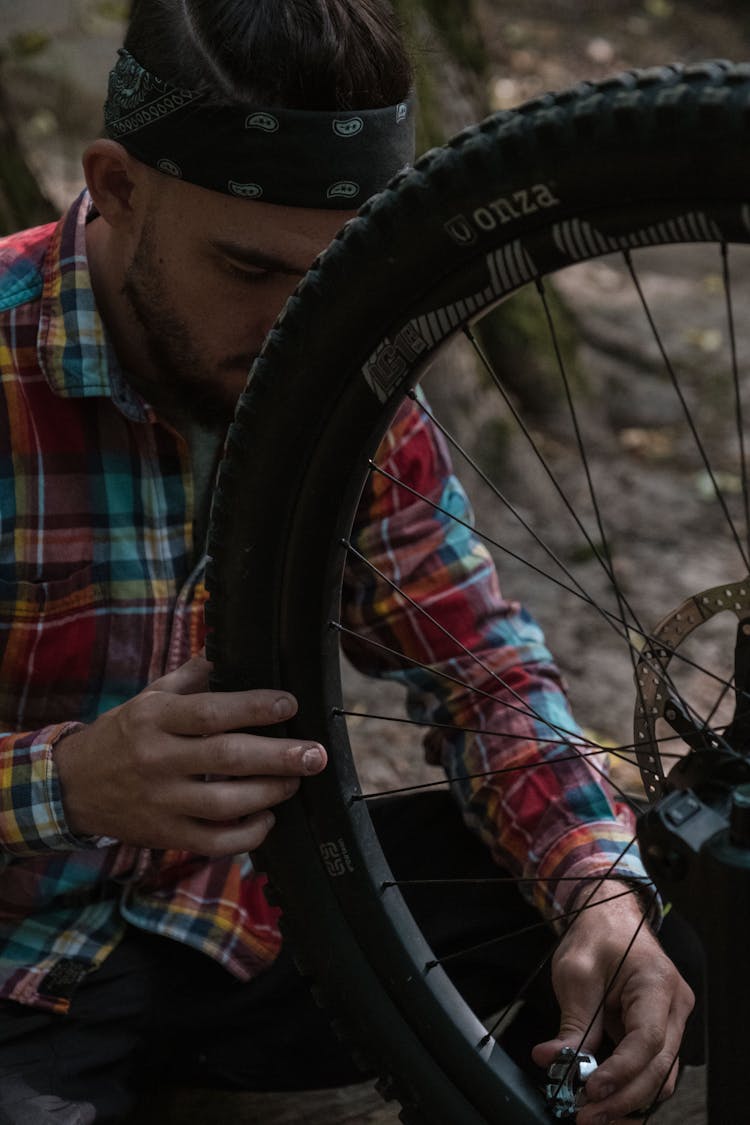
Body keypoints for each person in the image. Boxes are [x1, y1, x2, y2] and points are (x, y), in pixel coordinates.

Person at [0, 2, 697, 1122]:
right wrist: (68, 782)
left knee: (669, 919)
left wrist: (599, 892)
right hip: (20, 964)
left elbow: (481, 668)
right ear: (116, 185)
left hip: (233, 922)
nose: (298, 330)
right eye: (248, 268)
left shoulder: (341, 364)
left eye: (334, 279)